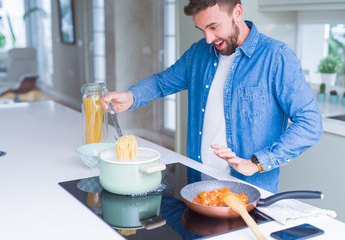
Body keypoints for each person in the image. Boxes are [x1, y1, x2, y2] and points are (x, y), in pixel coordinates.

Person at [101, 0, 322, 193]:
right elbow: (162, 82)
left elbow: (310, 123)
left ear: (237, 12)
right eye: (202, 29)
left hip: (250, 193)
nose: (208, 39)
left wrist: (257, 163)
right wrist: (131, 96)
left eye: (213, 27)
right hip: (199, 184)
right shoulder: (199, 53)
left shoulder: (276, 57)